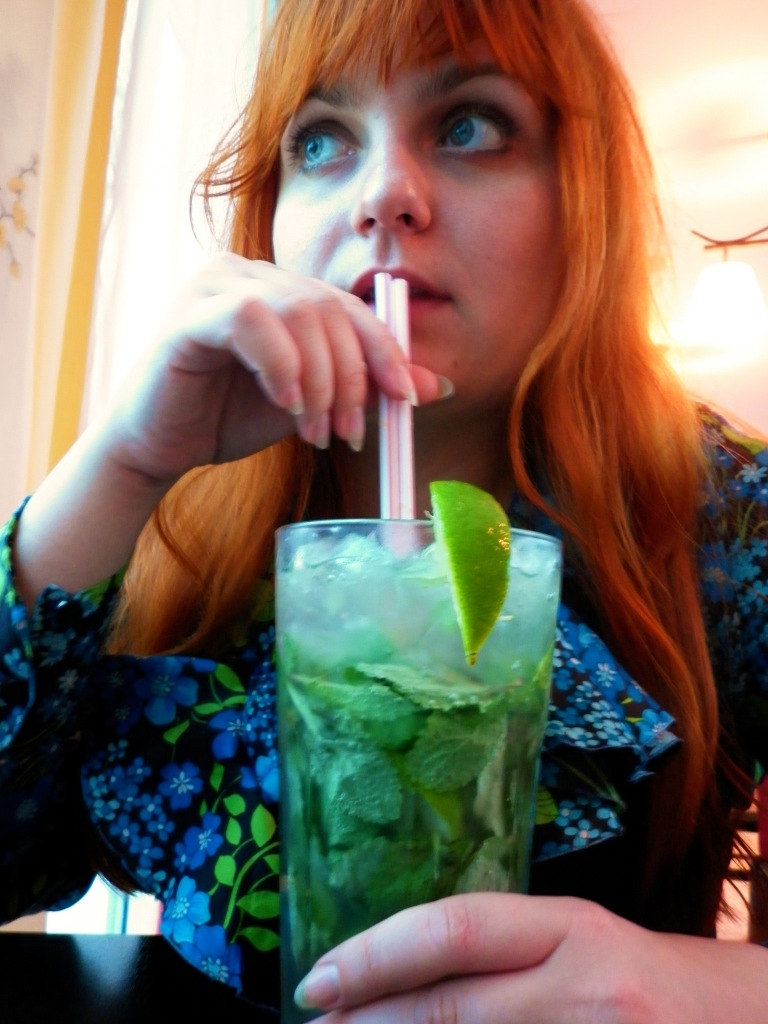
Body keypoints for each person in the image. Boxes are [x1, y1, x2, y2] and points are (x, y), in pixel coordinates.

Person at [1, 0, 767, 1018]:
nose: (382, 196)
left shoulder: (726, 512)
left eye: (469, 125)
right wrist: (123, 462)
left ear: (584, 199)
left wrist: (711, 987)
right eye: (322, 141)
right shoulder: (178, 514)